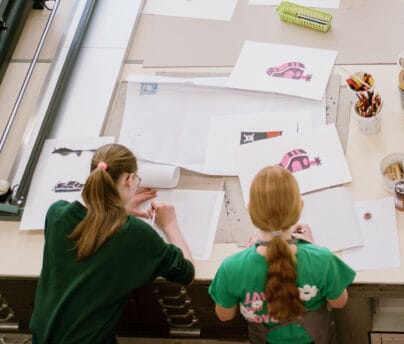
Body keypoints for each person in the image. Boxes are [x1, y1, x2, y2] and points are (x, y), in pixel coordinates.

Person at [30, 143, 194, 344]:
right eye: (136, 178)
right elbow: (186, 271)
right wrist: (169, 224)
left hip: (42, 337)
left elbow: (92, 237)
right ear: (128, 179)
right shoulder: (134, 234)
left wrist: (119, 211)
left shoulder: (57, 213)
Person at [210, 165, 356, 343]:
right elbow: (339, 303)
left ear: (250, 210)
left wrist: (247, 255)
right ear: (300, 207)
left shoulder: (231, 268)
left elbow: (224, 315)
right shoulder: (322, 259)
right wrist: (312, 247)